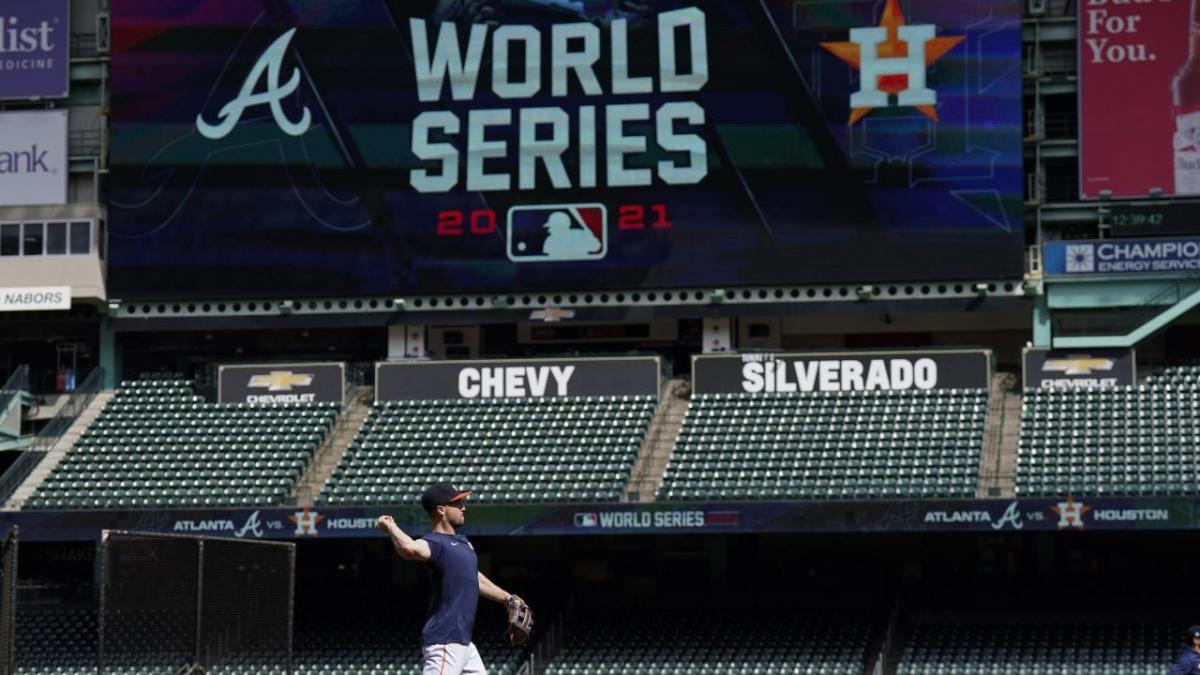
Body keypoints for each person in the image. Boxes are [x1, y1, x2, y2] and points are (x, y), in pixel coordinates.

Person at [376, 482, 526, 675]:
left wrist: (508, 598)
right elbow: (410, 549)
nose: (463, 507)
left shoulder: (464, 543)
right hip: (445, 640)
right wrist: (391, 526)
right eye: (456, 503)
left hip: (464, 643)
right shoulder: (434, 542)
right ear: (441, 510)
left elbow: (474, 578)